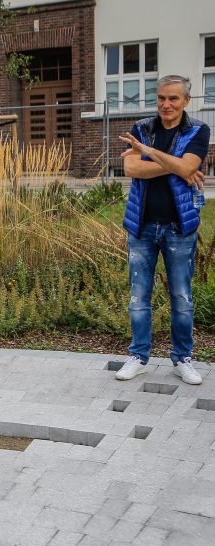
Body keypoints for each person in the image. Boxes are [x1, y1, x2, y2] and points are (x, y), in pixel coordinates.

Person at [116, 75, 210, 384]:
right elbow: (130, 168)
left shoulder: (198, 130)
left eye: (173, 98)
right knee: (138, 296)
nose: (166, 104)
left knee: (181, 297)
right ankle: (139, 356)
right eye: (161, 98)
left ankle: (182, 358)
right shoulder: (142, 129)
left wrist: (148, 152)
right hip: (141, 226)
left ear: (186, 101)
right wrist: (178, 164)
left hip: (178, 228)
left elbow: (188, 167)